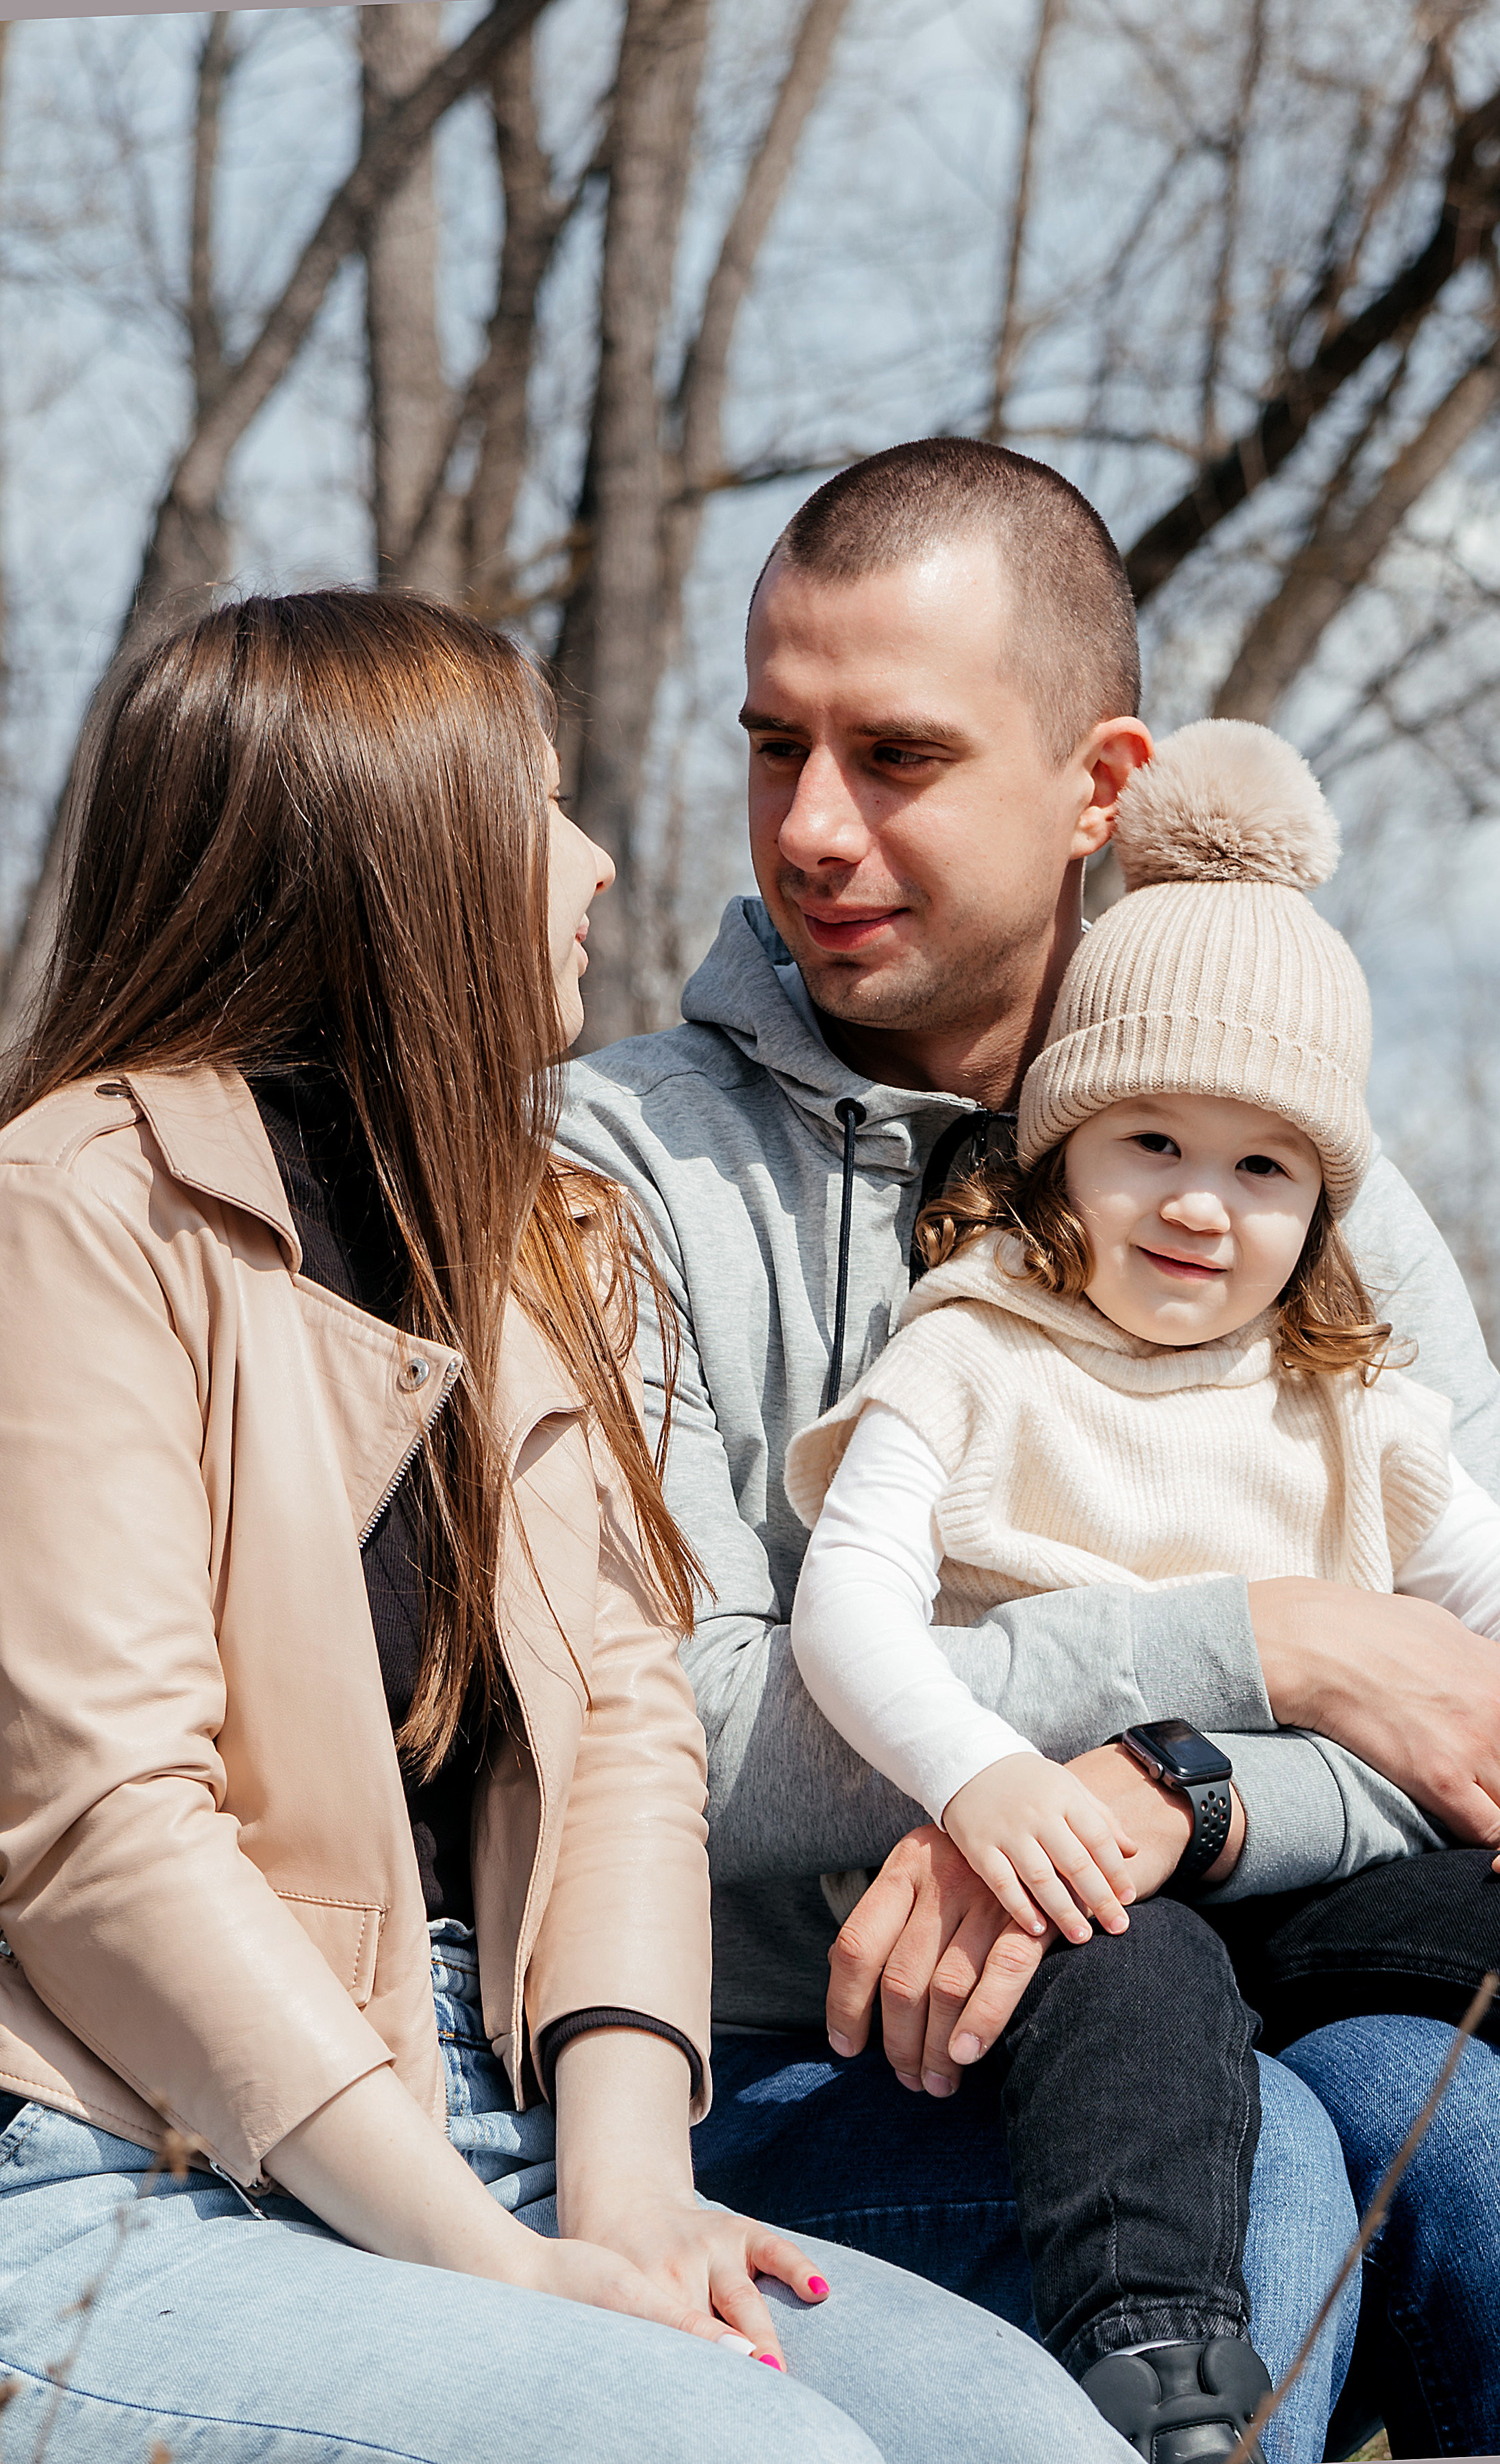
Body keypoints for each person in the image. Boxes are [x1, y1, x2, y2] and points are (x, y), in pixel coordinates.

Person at [0, 589, 1134, 2464]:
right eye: (543, 803)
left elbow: (626, 1727)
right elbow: (104, 1835)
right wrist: (482, 2263)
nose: (601, 863)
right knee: (741, 2451)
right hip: (121, 2159)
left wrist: (623, 2196)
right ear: (401, 846)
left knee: (1024, 2439)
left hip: (512, 2123)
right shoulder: (71, 1217)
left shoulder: (543, 1234)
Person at [559, 438, 1500, 2459]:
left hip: (1271, 1981)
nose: (811, 827)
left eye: (894, 755)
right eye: (770, 745)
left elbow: (1468, 1708)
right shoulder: (618, 1166)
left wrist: (1177, 1793)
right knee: (1246, 2206)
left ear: (1102, 782)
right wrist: (1266, 1641)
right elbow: (687, 1737)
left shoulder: (1293, 1160)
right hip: (802, 2070)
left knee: (1479, 2149)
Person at [785, 713, 1500, 2450]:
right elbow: (848, 1607)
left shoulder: (1358, 1404)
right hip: (1073, 1885)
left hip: (1306, 1876)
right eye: (1149, 1145)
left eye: (1261, 1167)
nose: (1201, 1206)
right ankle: (1166, 2363)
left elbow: (1473, 1652)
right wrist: (979, 1776)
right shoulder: (977, 1355)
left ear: (1320, 1200)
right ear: (1057, 1152)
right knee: (1138, 1989)